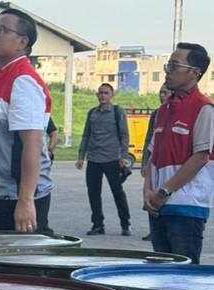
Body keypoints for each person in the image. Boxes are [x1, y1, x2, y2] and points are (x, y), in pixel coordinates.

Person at [0, 8, 53, 233]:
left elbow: (32, 144)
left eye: (1, 31)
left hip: (13, 200)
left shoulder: (22, 81)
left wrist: (25, 201)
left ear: (22, 42)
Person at [143, 42, 213, 264]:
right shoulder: (163, 110)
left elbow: (200, 157)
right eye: (168, 65)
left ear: (194, 73)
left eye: (174, 65)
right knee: (160, 273)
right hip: (158, 207)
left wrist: (163, 191)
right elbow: (152, 156)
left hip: (186, 208)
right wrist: (148, 192)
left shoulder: (204, 108)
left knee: (184, 275)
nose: (167, 71)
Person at [76, 83, 131, 236]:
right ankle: (98, 225)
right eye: (100, 93)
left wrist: (123, 156)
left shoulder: (117, 112)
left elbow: (124, 135)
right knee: (93, 193)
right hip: (94, 159)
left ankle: (125, 224)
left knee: (117, 192)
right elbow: (86, 135)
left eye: (106, 93)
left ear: (112, 95)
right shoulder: (92, 113)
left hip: (112, 159)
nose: (102, 96)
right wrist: (81, 157)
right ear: (97, 95)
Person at [141, 83, 173, 241]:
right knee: (150, 192)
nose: (162, 96)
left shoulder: (177, 112)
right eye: (160, 92)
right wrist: (144, 162)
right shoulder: (156, 113)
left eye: (165, 92)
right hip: (155, 160)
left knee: (165, 193)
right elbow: (149, 138)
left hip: (170, 161)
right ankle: (154, 228)